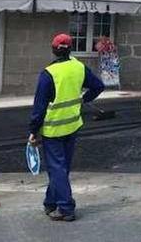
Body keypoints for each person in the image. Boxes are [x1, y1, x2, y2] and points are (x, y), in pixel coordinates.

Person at [28, 34, 104, 222]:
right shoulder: (79, 67)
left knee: (57, 168)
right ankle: (50, 202)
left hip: (53, 128)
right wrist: (82, 99)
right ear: (70, 49)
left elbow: (39, 107)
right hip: (73, 124)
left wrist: (33, 130)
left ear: (53, 50)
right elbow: (98, 86)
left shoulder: (49, 74)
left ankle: (66, 207)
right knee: (62, 167)